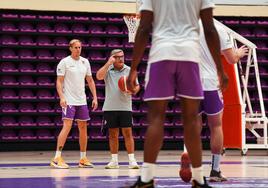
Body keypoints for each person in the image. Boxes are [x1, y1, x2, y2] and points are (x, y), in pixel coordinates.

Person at [126, 0, 228, 187]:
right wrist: (220, 69)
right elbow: (210, 28)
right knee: (191, 119)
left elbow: (143, 28)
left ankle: (147, 178)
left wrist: (133, 69)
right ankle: (198, 178)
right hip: (189, 54)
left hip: (161, 53)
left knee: (156, 118)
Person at [198, 20, 249, 182]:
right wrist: (239, 53)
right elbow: (231, 59)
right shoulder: (219, 30)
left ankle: (191, 162)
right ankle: (215, 170)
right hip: (210, 83)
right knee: (216, 126)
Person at [50, 39, 98, 169]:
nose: (78, 49)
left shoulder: (85, 62)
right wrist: (62, 97)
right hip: (69, 100)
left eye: (80, 47)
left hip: (81, 100)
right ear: (70, 48)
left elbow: (90, 80)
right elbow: (59, 82)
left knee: (83, 127)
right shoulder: (64, 62)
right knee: (67, 126)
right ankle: (56, 158)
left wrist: (95, 97)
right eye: (76, 47)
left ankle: (83, 158)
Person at [96, 49, 140, 169]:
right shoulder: (108, 70)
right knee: (113, 135)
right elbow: (98, 76)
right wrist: (107, 64)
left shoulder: (129, 70)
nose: (121, 59)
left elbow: (137, 87)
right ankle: (114, 161)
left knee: (128, 134)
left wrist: (132, 91)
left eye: (122, 56)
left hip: (125, 107)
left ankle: (132, 160)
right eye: (117, 57)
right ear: (112, 58)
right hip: (110, 107)